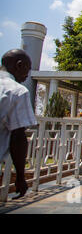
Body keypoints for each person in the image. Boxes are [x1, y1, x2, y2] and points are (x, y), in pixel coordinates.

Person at [0, 49, 37, 199]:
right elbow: (18, 136)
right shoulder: (16, 91)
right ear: (19, 65)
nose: (27, 75)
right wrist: (20, 177)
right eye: (27, 70)